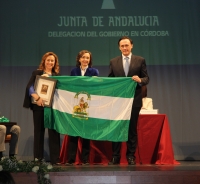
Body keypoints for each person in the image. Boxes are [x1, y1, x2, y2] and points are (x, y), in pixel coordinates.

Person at [108, 36, 149, 165]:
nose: (125, 48)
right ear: (119, 47)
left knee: (131, 129)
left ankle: (131, 156)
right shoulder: (113, 62)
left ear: (132, 46)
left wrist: (140, 80)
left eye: (127, 45)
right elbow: (110, 81)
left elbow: (146, 78)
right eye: (122, 46)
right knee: (117, 129)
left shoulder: (140, 60)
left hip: (134, 101)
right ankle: (115, 156)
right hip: (118, 102)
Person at [23, 52, 61, 165]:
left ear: (55, 63)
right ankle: (38, 159)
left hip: (52, 107)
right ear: (44, 61)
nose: (50, 62)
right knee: (39, 132)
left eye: (52, 61)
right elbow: (29, 87)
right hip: (38, 106)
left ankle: (55, 160)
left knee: (54, 133)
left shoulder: (57, 76)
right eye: (48, 60)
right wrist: (37, 98)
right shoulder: (37, 73)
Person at [65, 50, 99, 166]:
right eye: (83, 57)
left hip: (88, 106)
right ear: (79, 59)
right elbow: (70, 86)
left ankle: (85, 159)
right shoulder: (74, 71)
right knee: (74, 132)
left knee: (86, 133)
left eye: (88, 58)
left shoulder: (94, 71)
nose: (85, 60)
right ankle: (71, 159)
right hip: (75, 106)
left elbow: (96, 87)